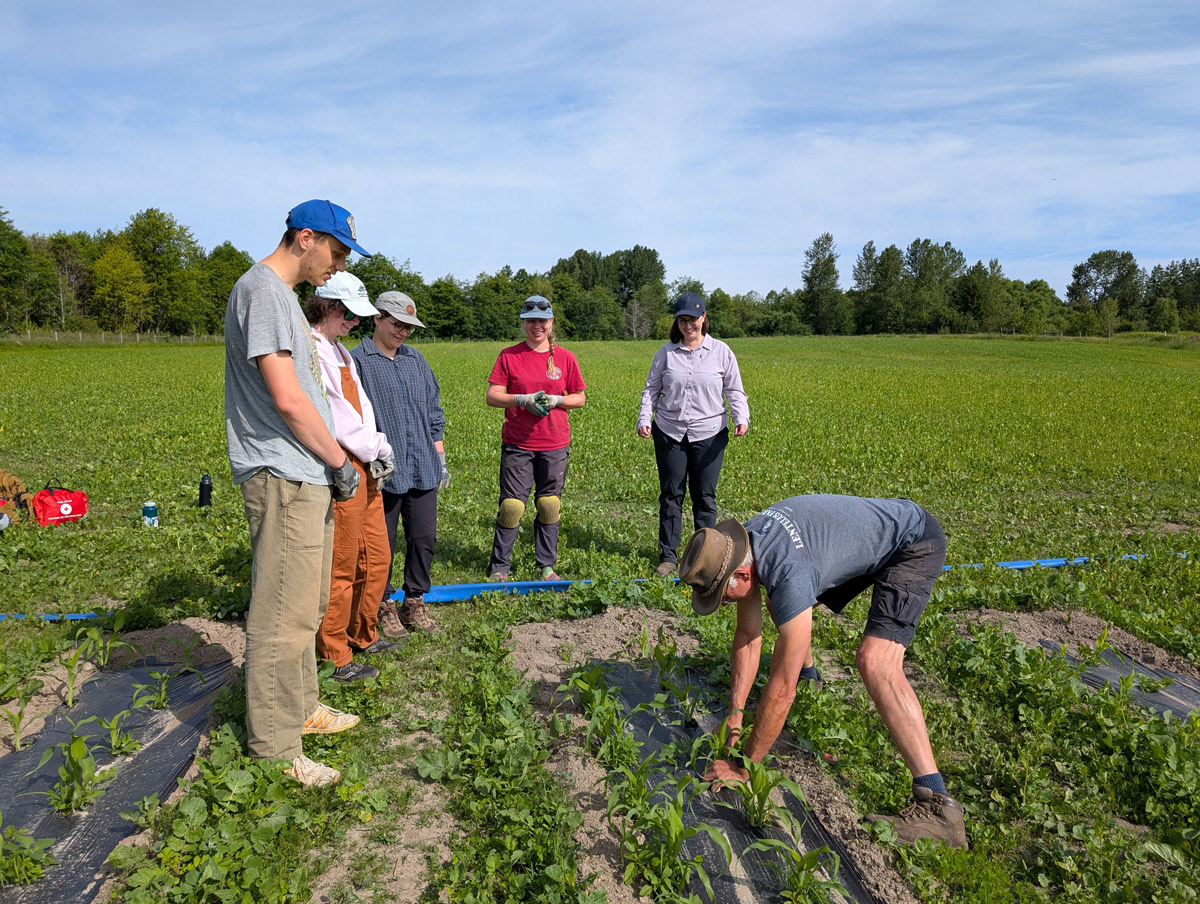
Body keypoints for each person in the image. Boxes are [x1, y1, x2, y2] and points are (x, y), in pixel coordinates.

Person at [678, 494, 968, 849]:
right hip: (859, 538)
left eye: (722, 594)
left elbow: (782, 691)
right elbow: (748, 636)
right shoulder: (745, 545)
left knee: (876, 661)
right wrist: (736, 717)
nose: (722, 602)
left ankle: (938, 807)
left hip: (912, 542)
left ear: (741, 571)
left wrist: (743, 768)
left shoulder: (786, 570)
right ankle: (810, 672)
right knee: (781, 601)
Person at [224, 199, 370, 788]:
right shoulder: (261, 290)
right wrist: (340, 460)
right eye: (335, 252)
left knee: (306, 604)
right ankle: (275, 747)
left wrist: (329, 462)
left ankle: (301, 708)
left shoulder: (282, 298)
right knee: (282, 613)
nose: (337, 266)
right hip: (282, 473)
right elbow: (287, 398)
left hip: (306, 472)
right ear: (305, 238)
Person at [306, 272, 406, 683]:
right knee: (343, 563)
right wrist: (377, 448)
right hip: (344, 462)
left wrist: (379, 447)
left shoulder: (340, 351)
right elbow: (338, 417)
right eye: (348, 314)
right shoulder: (312, 351)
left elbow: (360, 406)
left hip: (367, 460)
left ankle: (364, 632)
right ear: (328, 307)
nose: (353, 322)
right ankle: (335, 653)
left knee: (377, 554)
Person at [351, 291, 447, 634]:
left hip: (422, 465)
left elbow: (434, 412)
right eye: (397, 324)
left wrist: (440, 458)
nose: (403, 332)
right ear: (376, 319)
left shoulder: (416, 360)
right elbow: (349, 418)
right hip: (383, 471)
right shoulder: (357, 361)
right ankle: (382, 605)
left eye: (409, 327)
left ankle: (414, 603)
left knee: (424, 538)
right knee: (382, 544)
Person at [637, 292, 748, 577]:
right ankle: (668, 557)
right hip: (670, 432)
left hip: (709, 433)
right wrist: (644, 418)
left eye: (694, 319)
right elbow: (651, 389)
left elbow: (734, 389)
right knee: (671, 494)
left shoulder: (721, 351)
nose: (689, 326)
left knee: (704, 496)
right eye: (683, 320)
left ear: (704, 318)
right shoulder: (666, 352)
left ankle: (705, 557)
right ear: (678, 322)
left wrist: (741, 416)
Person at [485, 296, 586, 581]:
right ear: (523, 323)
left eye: (542, 321)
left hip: (554, 443)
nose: (536, 326)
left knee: (548, 504)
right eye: (530, 321)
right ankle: (500, 567)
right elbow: (492, 396)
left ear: (551, 322)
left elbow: (580, 398)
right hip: (518, 444)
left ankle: (546, 566)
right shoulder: (509, 355)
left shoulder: (565, 358)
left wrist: (558, 400)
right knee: (512, 506)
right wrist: (521, 399)